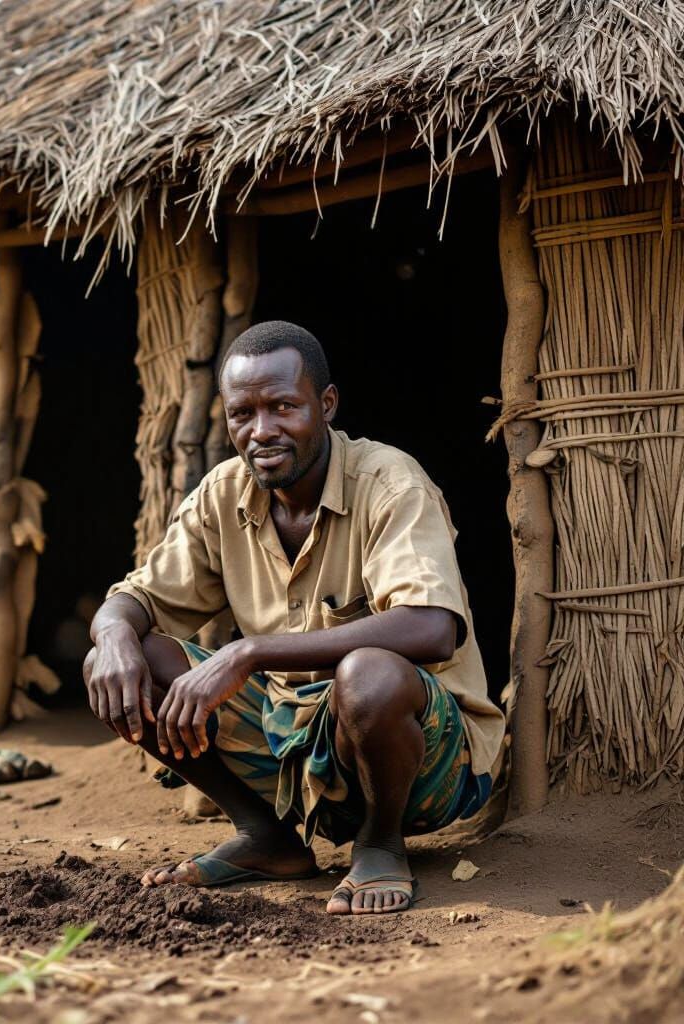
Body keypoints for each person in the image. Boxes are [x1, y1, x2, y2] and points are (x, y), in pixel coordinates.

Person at [83, 320, 503, 915]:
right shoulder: (223, 494)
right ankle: (266, 838)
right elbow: (134, 599)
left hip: (425, 768)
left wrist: (248, 652)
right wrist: (115, 636)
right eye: (242, 413)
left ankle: (381, 845)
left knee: (370, 673)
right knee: (129, 657)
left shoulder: (389, 483)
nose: (261, 431)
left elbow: (431, 627)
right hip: (291, 748)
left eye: (284, 407)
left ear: (326, 405)